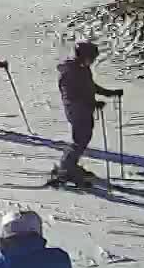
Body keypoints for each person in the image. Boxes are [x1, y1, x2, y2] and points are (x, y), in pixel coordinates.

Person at [50, 42, 122, 187]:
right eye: (92, 58)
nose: (93, 61)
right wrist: (92, 104)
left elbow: (90, 86)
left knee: (84, 137)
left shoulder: (82, 69)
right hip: (76, 109)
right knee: (80, 139)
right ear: (83, 56)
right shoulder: (70, 72)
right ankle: (66, 168)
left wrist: (109, 93)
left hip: (84, 108)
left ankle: (70, 165)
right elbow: (73, 95)